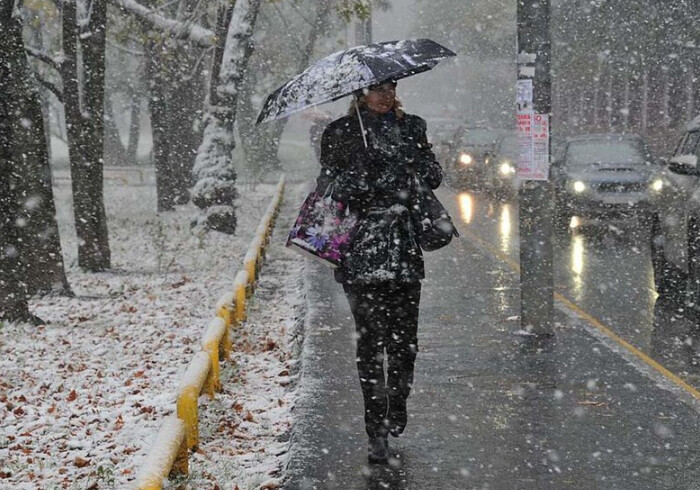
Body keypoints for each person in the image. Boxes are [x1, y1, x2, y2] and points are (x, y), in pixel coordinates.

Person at [315, 80, 443, 464]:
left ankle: (397, 401)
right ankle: (376, 429)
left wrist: (414, 167)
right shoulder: (340, 133)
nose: (385, 95)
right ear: (360, 94)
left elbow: (434, 176)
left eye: (391, 87)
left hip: (403, 250)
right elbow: (329, 188)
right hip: (360, 252)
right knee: (370, 345)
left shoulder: (412, 127)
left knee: (404, 344)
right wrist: (362, 174)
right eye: (377, 90)